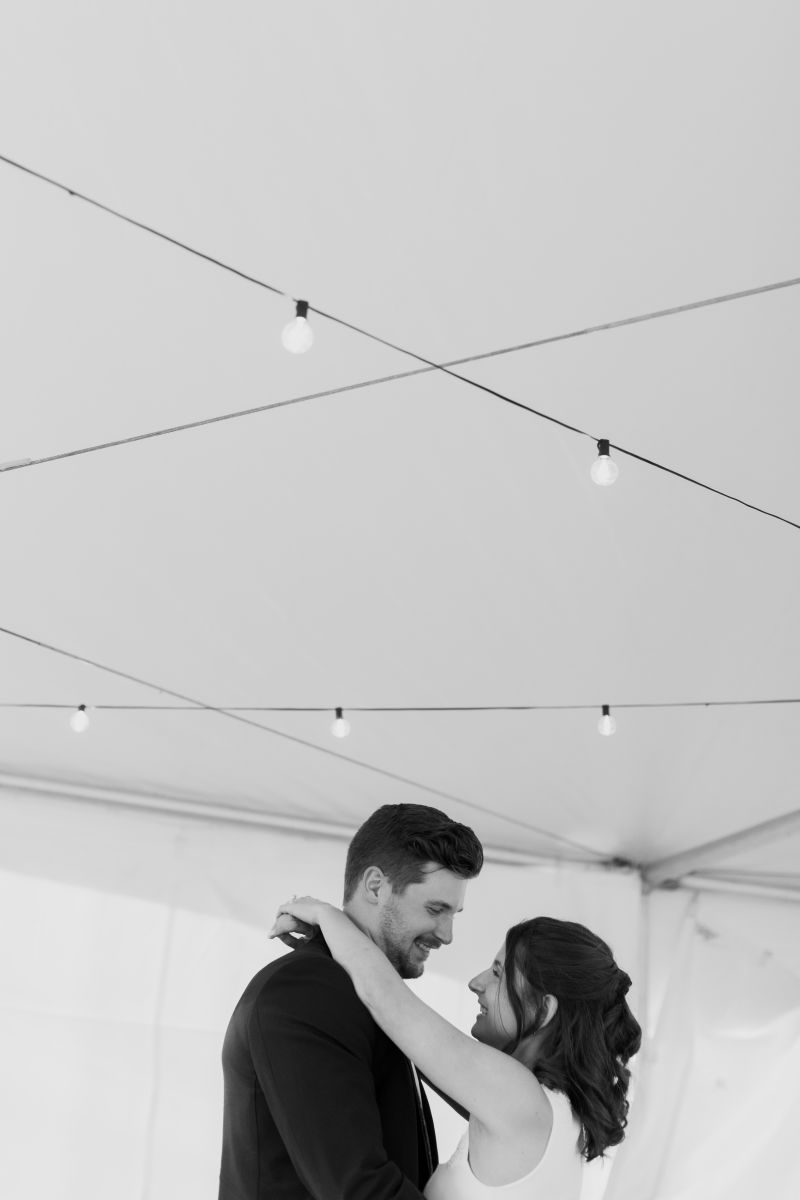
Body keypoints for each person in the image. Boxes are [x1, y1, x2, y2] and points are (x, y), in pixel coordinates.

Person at [270, 899, 642, 1200]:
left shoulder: (519, 1100)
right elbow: (416, 1049)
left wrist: (326, 916)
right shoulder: (547, 1109)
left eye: (498, 973)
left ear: (543, 1010)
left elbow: (390, 1002)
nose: (475, 983)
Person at [217, 803, 484, 1199]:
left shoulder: (366, 994)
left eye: (453, 914)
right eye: (435, 909)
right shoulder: (307, 990)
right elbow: (360, 1189)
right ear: (375, 886)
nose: (446, 935)